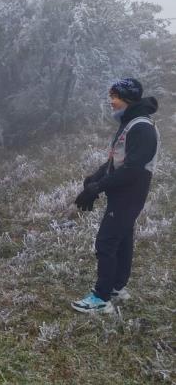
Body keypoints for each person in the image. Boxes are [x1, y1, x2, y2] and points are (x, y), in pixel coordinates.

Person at [71, 78, 159, 314]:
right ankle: (117, 287)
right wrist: (96, 178)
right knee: (122, 238)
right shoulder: (130, 123)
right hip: (124, 192)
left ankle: (101, 298)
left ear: (128, 99)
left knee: (107, 242)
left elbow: (132, 170)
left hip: (129, 192)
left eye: (115, 96)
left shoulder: (141, 127)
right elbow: (116, 159)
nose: (111, 101)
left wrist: (97, 188)